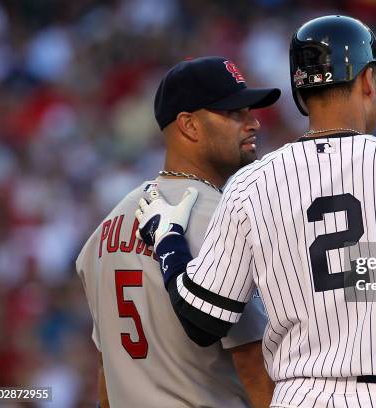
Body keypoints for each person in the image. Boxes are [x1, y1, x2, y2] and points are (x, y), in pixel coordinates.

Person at [136, 16, 376, 408]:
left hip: (301, 395)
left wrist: (168, 238)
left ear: (300, 94)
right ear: (368, 80)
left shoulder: (252, 184)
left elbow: (203, 318)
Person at [76, 56, 280, 408]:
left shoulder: (106, 226)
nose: (254, 123)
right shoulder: (222, 219)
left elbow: (107, 367)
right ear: (189, 126)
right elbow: (252, 361)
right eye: (234, 113)